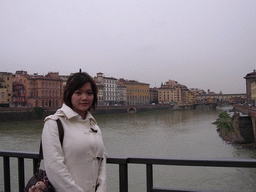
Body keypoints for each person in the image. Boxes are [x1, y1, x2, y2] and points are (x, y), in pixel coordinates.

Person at [42, 72, 107, 192]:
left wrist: (102, 189)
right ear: (69, 94)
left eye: (89, 93)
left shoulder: (94, 126)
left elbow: (102, 162)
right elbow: (55, 169)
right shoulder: (53, 123)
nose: (84, 98)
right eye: (78, 93)